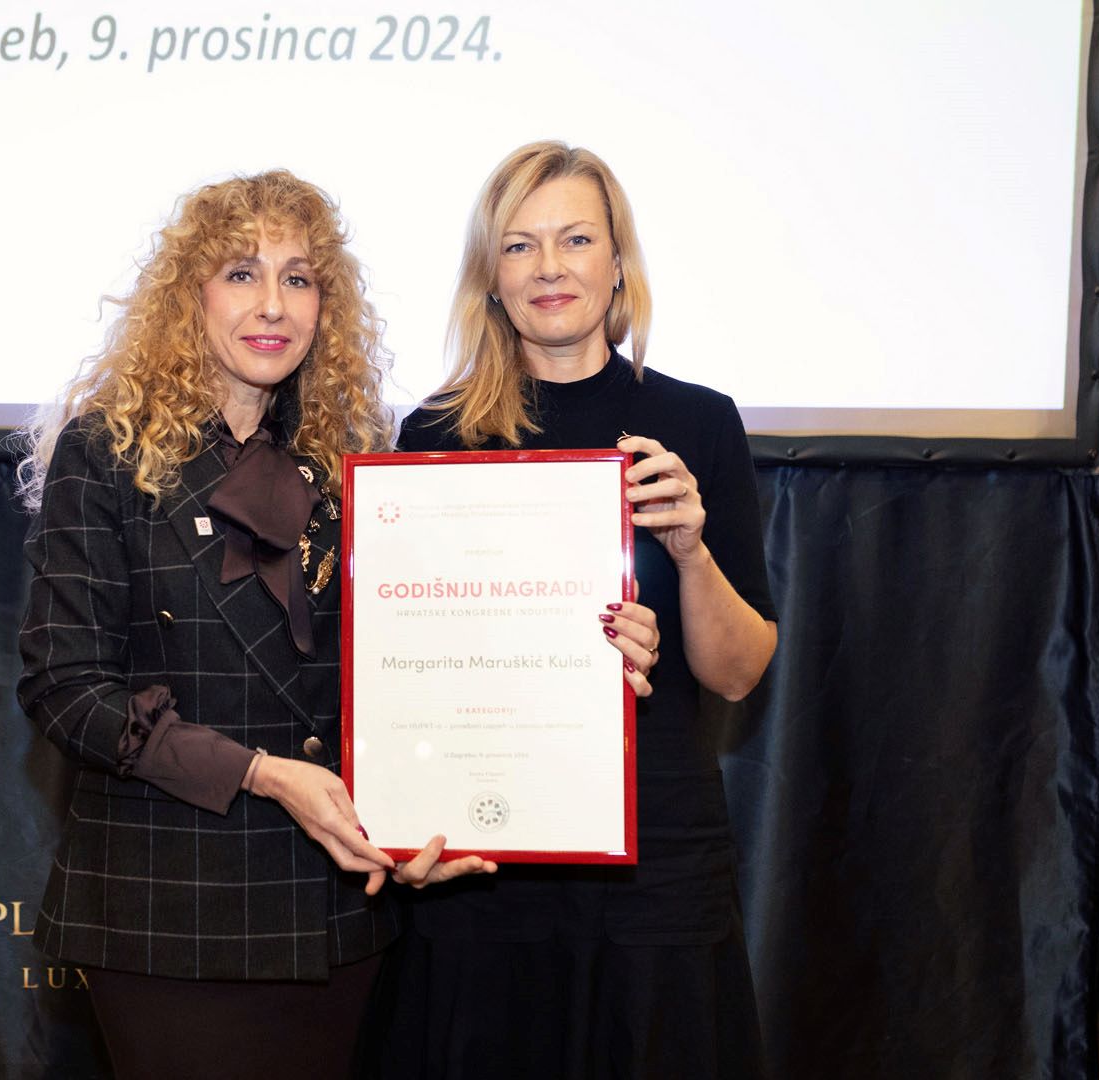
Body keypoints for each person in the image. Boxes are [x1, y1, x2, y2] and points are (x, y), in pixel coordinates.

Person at [15, 171, 648, 1077]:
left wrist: (428, 807)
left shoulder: (351, 468)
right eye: (241, 273)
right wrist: (265, 775)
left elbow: (410, 676)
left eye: (299, 278)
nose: (273, 304)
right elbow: (66, 691)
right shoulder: (106, 453)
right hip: (167, 909)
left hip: (333, 911)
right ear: (189, 295)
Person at [381, 142, 779, 1079]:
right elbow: (413, 659)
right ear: (491, 278)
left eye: (576, 239)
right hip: (485, 853)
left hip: (655, 855)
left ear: (618, 263)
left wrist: (688, 551)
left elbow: (736, 674)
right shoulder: (435, 436)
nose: (549, 268)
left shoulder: (698, 423)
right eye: (519, 246)